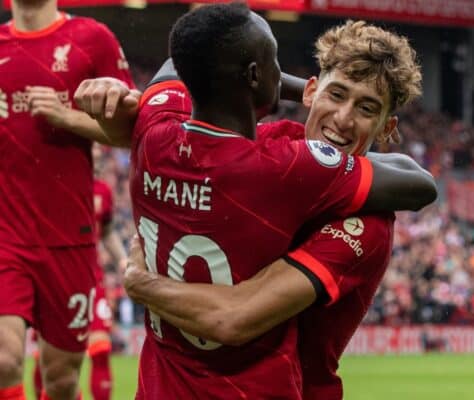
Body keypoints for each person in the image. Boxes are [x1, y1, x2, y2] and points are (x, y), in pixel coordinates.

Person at [75, 4, 435, 399]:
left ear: (387, 127)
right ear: (310, 91)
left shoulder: (366, 223)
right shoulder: (273, 152)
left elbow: (231, 318)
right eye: (336, 95)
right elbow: (417, 181)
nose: (343, 119)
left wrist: (142, 285)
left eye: (366, 108)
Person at [0, 1, 133, 399]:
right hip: (6, 235)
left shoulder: (93, 40)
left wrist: (66, 116)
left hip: (68, 240)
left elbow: (129, 133)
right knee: (4, 359)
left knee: (59, 381)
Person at [32, 144, 128, 400]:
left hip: (91, 277)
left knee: (100, 349)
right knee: (49, 356)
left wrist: (122, 260)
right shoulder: (52, 183)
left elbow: (107, 232)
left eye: (98, 153)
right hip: (53, 274)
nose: (96, 157)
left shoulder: (104, 191)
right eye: (91, 152)